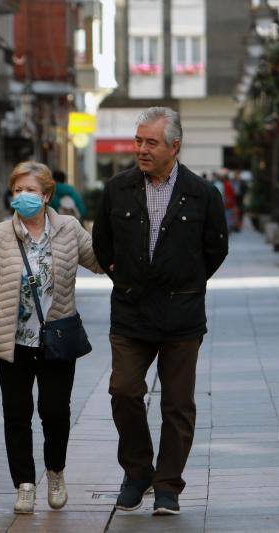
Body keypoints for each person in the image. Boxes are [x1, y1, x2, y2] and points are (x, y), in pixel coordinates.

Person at [92, 107, 228, 516]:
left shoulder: (202, 193)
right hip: (131, 311)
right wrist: (127, 277)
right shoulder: (117, 189)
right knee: (124, 390)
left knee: (177, 404)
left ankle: (167, 485)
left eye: (151, 142)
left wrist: (184, 282)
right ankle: (137, 473)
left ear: (175, 146)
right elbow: (102, 243)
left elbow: (215, 249)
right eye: (138, 141)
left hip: (181, 315)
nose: (141, 149)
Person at [0, 161, 103, 515]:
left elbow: (100, 261)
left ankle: (55, 471)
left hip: (57, 337)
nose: (23, 196)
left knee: (55, 411)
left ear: (46, 195)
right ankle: (25, 484)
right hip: (12, 340)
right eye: (17, 190)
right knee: (17, 413)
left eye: (31, 190)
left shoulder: (69, 229)